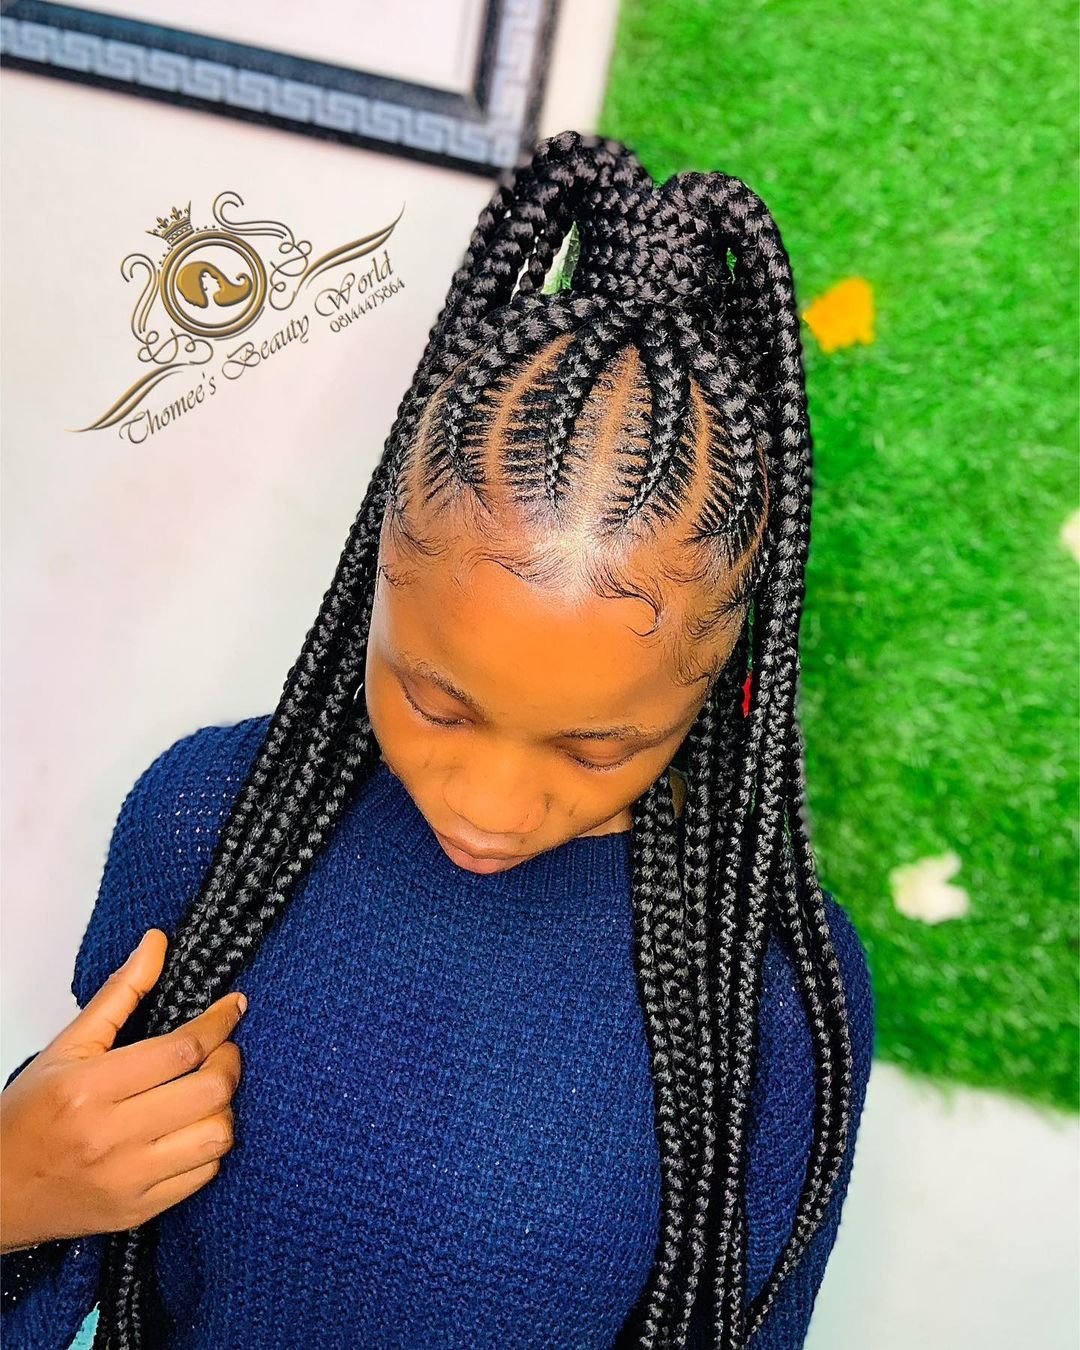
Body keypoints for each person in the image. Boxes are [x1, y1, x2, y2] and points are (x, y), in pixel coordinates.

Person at [0, 130, 875, 1348]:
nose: (489, 806)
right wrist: (10, 1195)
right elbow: (67, 1243)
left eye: (596, 749)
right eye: (438, 704)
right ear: (378, 584)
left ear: (722, 684)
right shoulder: (207, 822)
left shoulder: (773, 991)